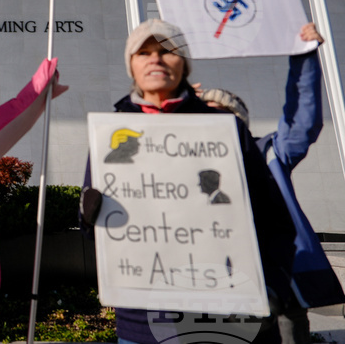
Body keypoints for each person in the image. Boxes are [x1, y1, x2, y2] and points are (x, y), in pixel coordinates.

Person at [80, 19, 296, 344]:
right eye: (144, 52)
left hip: (227, 314)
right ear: (132, 66)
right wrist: (88, 214)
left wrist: (272, 284)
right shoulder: (111, 135)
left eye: (168, 51)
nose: (156, 58)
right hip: (143, 320)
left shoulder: (225, 129)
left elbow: (272, 215)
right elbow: (93, 230)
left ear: (185, 64)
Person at [198, 23, 344, 344]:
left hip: (280, 289)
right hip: (218, 292)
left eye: (222, 114)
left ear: (240, 122)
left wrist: (303, 59)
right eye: (203, 115)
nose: (213, 121)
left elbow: (302, 120)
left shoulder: (270, 153)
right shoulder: (188, 167)